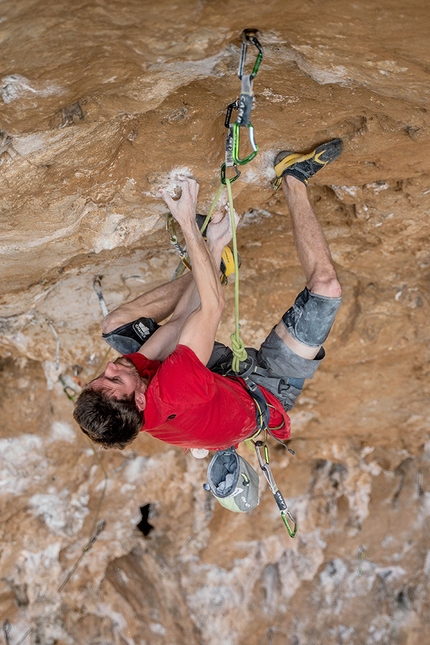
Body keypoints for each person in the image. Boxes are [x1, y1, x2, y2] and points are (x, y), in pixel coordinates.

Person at [73, 139, 343, 451]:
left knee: (116, 327)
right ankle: (294, 176)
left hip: (212, 381)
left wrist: (213, 246)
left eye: (100, 377)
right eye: (115, 379)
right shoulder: (171, 391)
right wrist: (186, 222)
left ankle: (216, 268)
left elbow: (178, 324)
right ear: (140, 399)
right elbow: (212, 308)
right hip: (265, 392)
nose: (110, 367)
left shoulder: (136, 391)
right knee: (326, 288)